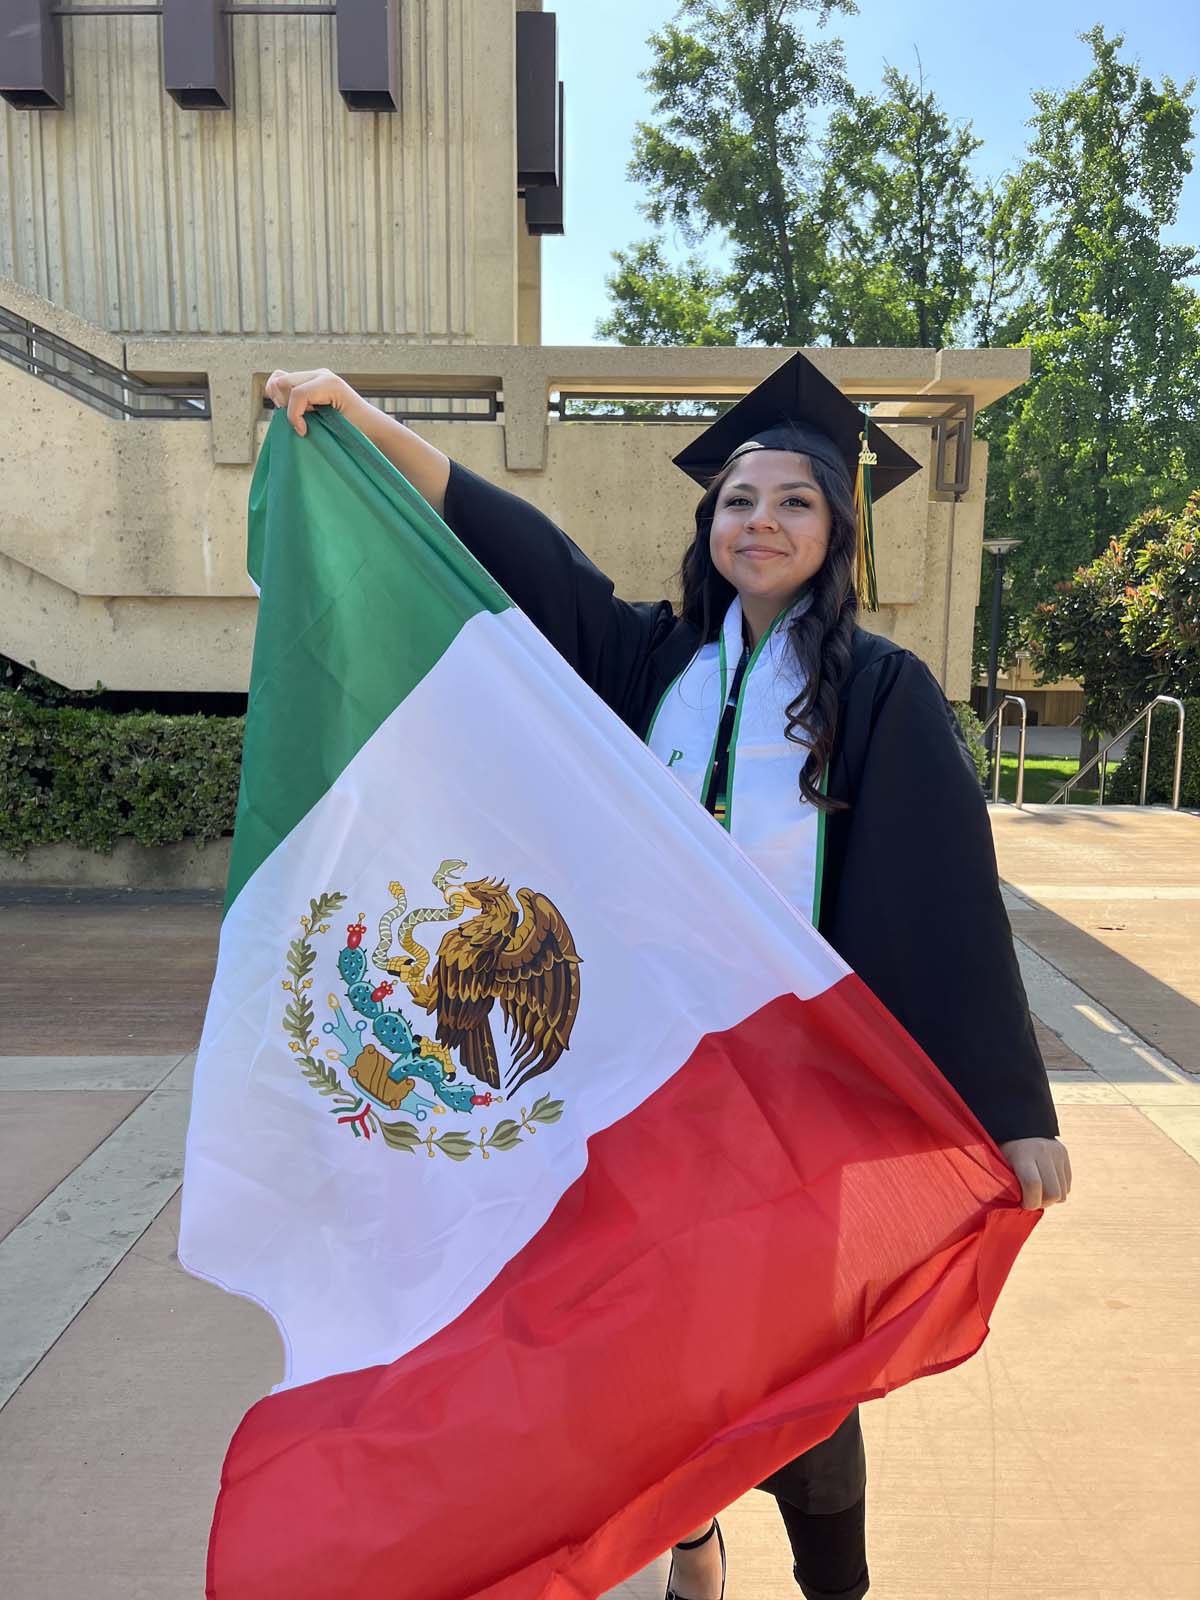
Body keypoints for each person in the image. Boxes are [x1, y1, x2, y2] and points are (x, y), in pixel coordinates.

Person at [264, 354, 1072, 1600]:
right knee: (649, 1343)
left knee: (798, 1359)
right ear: (709, 524)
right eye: (739, 499)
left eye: (795, 501)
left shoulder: (879, 692)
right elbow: (525, 553)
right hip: (643, 1079)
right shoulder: (651, 664)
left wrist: (1013, 1106)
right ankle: (692, 1543)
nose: (761, 521)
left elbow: (945, 893)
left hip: (797, 1093)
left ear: (838, 531)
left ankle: (833, 1583)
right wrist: (364, 422)